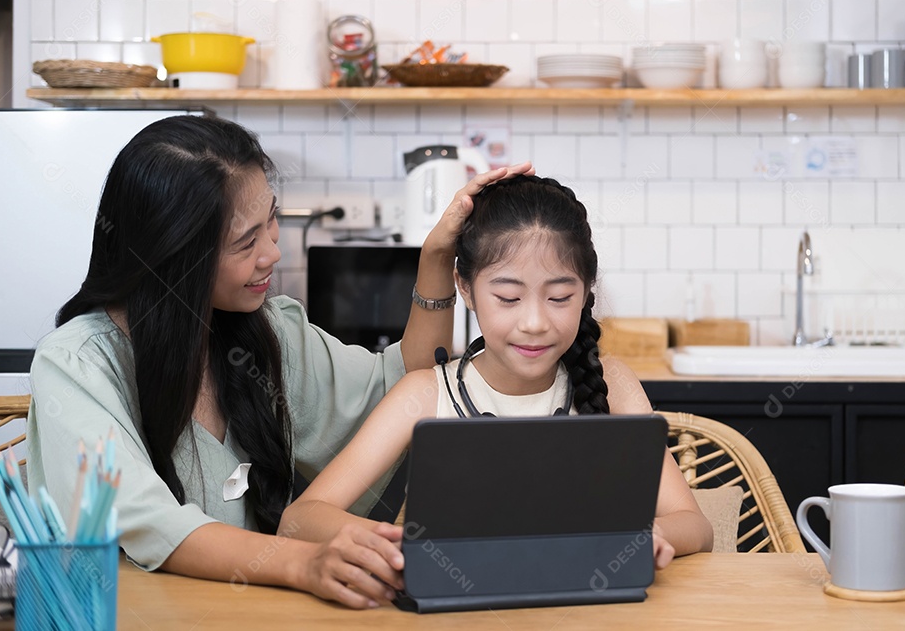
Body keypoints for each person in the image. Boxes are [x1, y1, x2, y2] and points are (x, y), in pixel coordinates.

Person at [26, 114, 534, 609]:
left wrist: (435, 258)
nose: (272, 252)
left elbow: (401, 391)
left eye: (270, 219)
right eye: (245, 242)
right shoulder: (76, 365)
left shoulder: (268, 331)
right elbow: (147, 522)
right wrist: (303, 564)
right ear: (173, 259)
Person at [280, 176, 715, 584]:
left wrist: (644, 536)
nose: (534, 322)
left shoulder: (613, 383)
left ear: (586, 291)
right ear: (465, 289)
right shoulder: (427, 393)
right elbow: (300, 519)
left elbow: (695, 525)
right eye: (508, 298)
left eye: (560, 297)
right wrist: (393, 545)